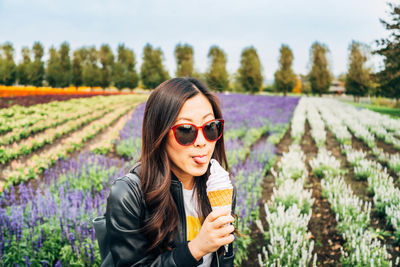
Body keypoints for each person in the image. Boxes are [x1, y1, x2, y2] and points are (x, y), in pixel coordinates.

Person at [105, 77, 236, 266]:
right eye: (186, 130)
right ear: (159, 134)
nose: (202, 141)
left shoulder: (219, 187)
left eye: (210, 127)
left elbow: (225, 258)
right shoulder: (129, 195)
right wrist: (196, 249)